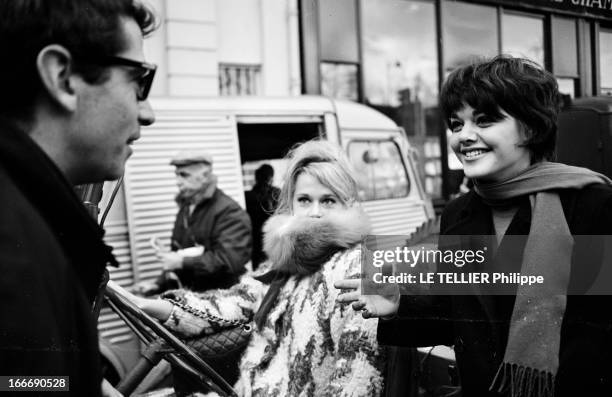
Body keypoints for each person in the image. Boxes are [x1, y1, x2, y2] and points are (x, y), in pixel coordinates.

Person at [336, 55, 612, 397]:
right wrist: (397, 307)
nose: (464, 136)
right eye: (455, 124)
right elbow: (464, 317)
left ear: (531, 125)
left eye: (484, 121)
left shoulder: (592, 206)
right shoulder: (458, 214)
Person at [126, 140, 385, 396]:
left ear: (348, 204)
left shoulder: (361, 268)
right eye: (304, 200)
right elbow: (232, 302)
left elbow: (357, 380)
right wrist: (148, 305)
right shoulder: (283, 263)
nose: (314, 212)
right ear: (291, 204)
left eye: (328, 200)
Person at [0, 1, 157, 396]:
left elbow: (21, 382)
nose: (148, 111)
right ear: (63, 77)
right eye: (137, 80)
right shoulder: (13, 251)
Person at [138, 149, 252, 294]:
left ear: (205, 176)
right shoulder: (187, 207)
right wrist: (158, 284)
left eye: (184, 175)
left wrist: (181, 261)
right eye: (177, 175)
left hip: (222, 301)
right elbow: (180, 253)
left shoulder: (229, 212)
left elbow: (229, 260)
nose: (178, 182)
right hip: (194, 299)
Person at [245, 163, 280, 270]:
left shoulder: (248, 195)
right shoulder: (276, 193)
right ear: (271, 178)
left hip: (258, 240)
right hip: (266, 240)